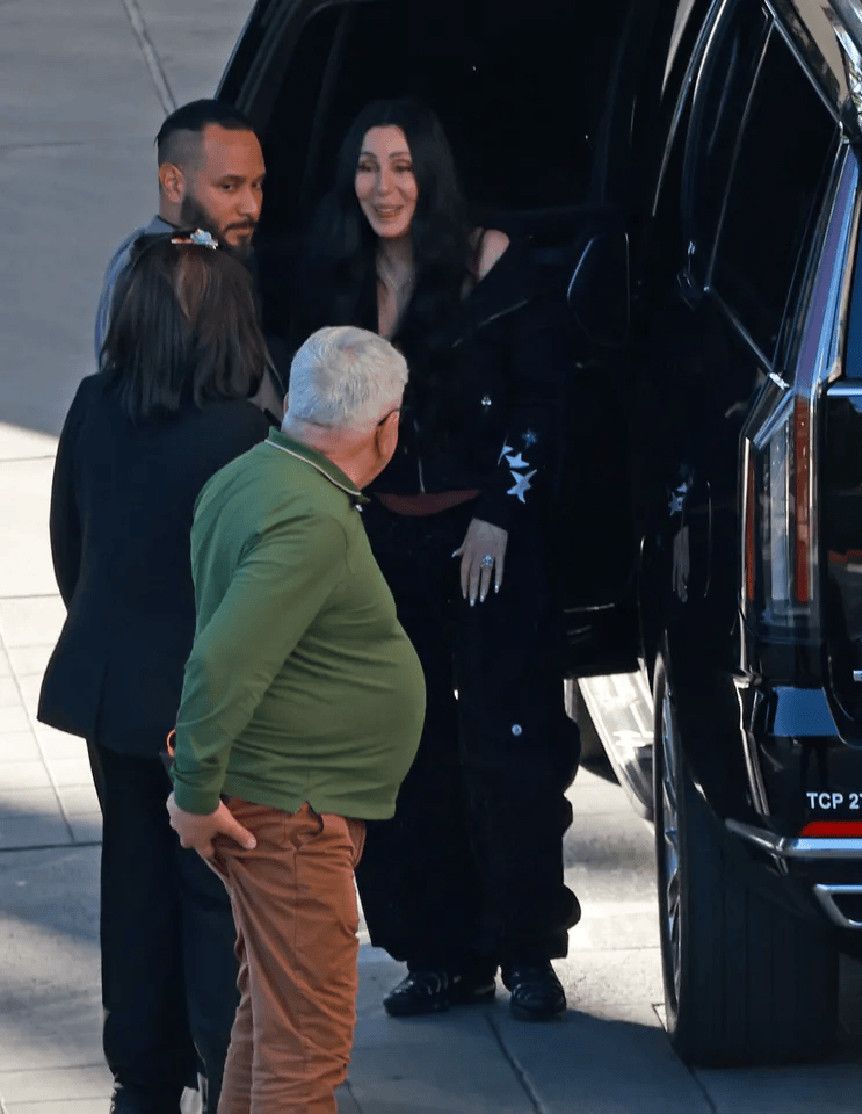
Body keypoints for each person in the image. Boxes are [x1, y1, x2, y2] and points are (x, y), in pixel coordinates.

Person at [294, 99, 581, 1021]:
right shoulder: (334, 280)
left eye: (403, 166)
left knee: (510, 743)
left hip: (484, 540)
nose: (384, 186)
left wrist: (502, 513)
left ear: (432, 175)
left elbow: (542, 401)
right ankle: (437, 955)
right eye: (368, 166)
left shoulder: (492, 263)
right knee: (401, 751)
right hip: (381, 541)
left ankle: (527, 950)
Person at [38, 233, 275, 1113]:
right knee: (213, 897)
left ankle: (141, 1075)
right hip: (206, 705)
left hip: (114, 695)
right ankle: (223, 1072)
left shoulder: (94, 406)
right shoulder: (244, 435)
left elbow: (70, 546)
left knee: (133, 881)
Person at [165, 325, 425, 1114]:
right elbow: (222, 660)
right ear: (385, 428)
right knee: (307, 1051)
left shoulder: (250, 475)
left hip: (275, 801)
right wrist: (193, 793)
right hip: (292, 815)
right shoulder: (310, 518)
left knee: (271, 1029)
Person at [94, 98, 282, 419]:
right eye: (229, 186)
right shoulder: (157, 277)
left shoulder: (214, 256)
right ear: (173, 183)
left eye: (257, 185)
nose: (251, 206)